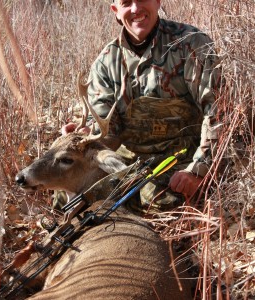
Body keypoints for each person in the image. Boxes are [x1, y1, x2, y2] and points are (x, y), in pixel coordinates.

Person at [63, 0, 221, 210]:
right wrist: (83, 138)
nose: (136, 9)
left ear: (157, 2)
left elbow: (217, 111)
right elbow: (109, 132)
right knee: (70, 192)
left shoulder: (191, 43)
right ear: (116, 12)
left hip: (182, 154)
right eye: (126, 3)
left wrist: (198, 170)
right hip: (132, 157)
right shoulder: (106, 63)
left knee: (163, 201)